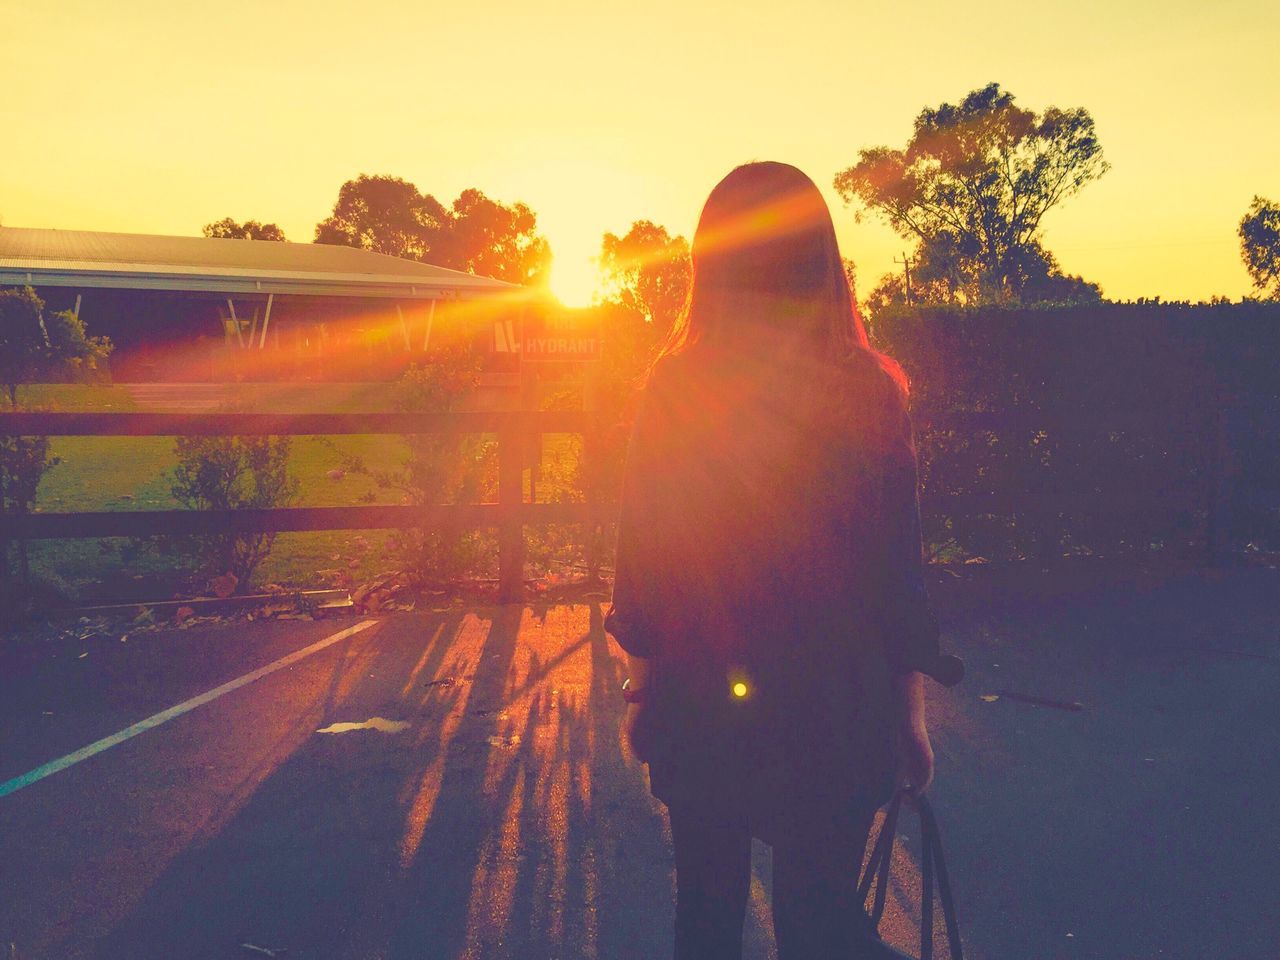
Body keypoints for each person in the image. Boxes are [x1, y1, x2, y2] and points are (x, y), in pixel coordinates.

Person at [603, 161, 961, 959]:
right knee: (817, 925)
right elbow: (897, 576)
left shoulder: (676, 389)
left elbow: (649, 558)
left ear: (712, 267)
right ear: (823, 261)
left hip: (702, 704)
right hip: (838, 706)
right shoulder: (870, 393)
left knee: (704, 918)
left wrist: (642, 688)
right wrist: (909, 718)